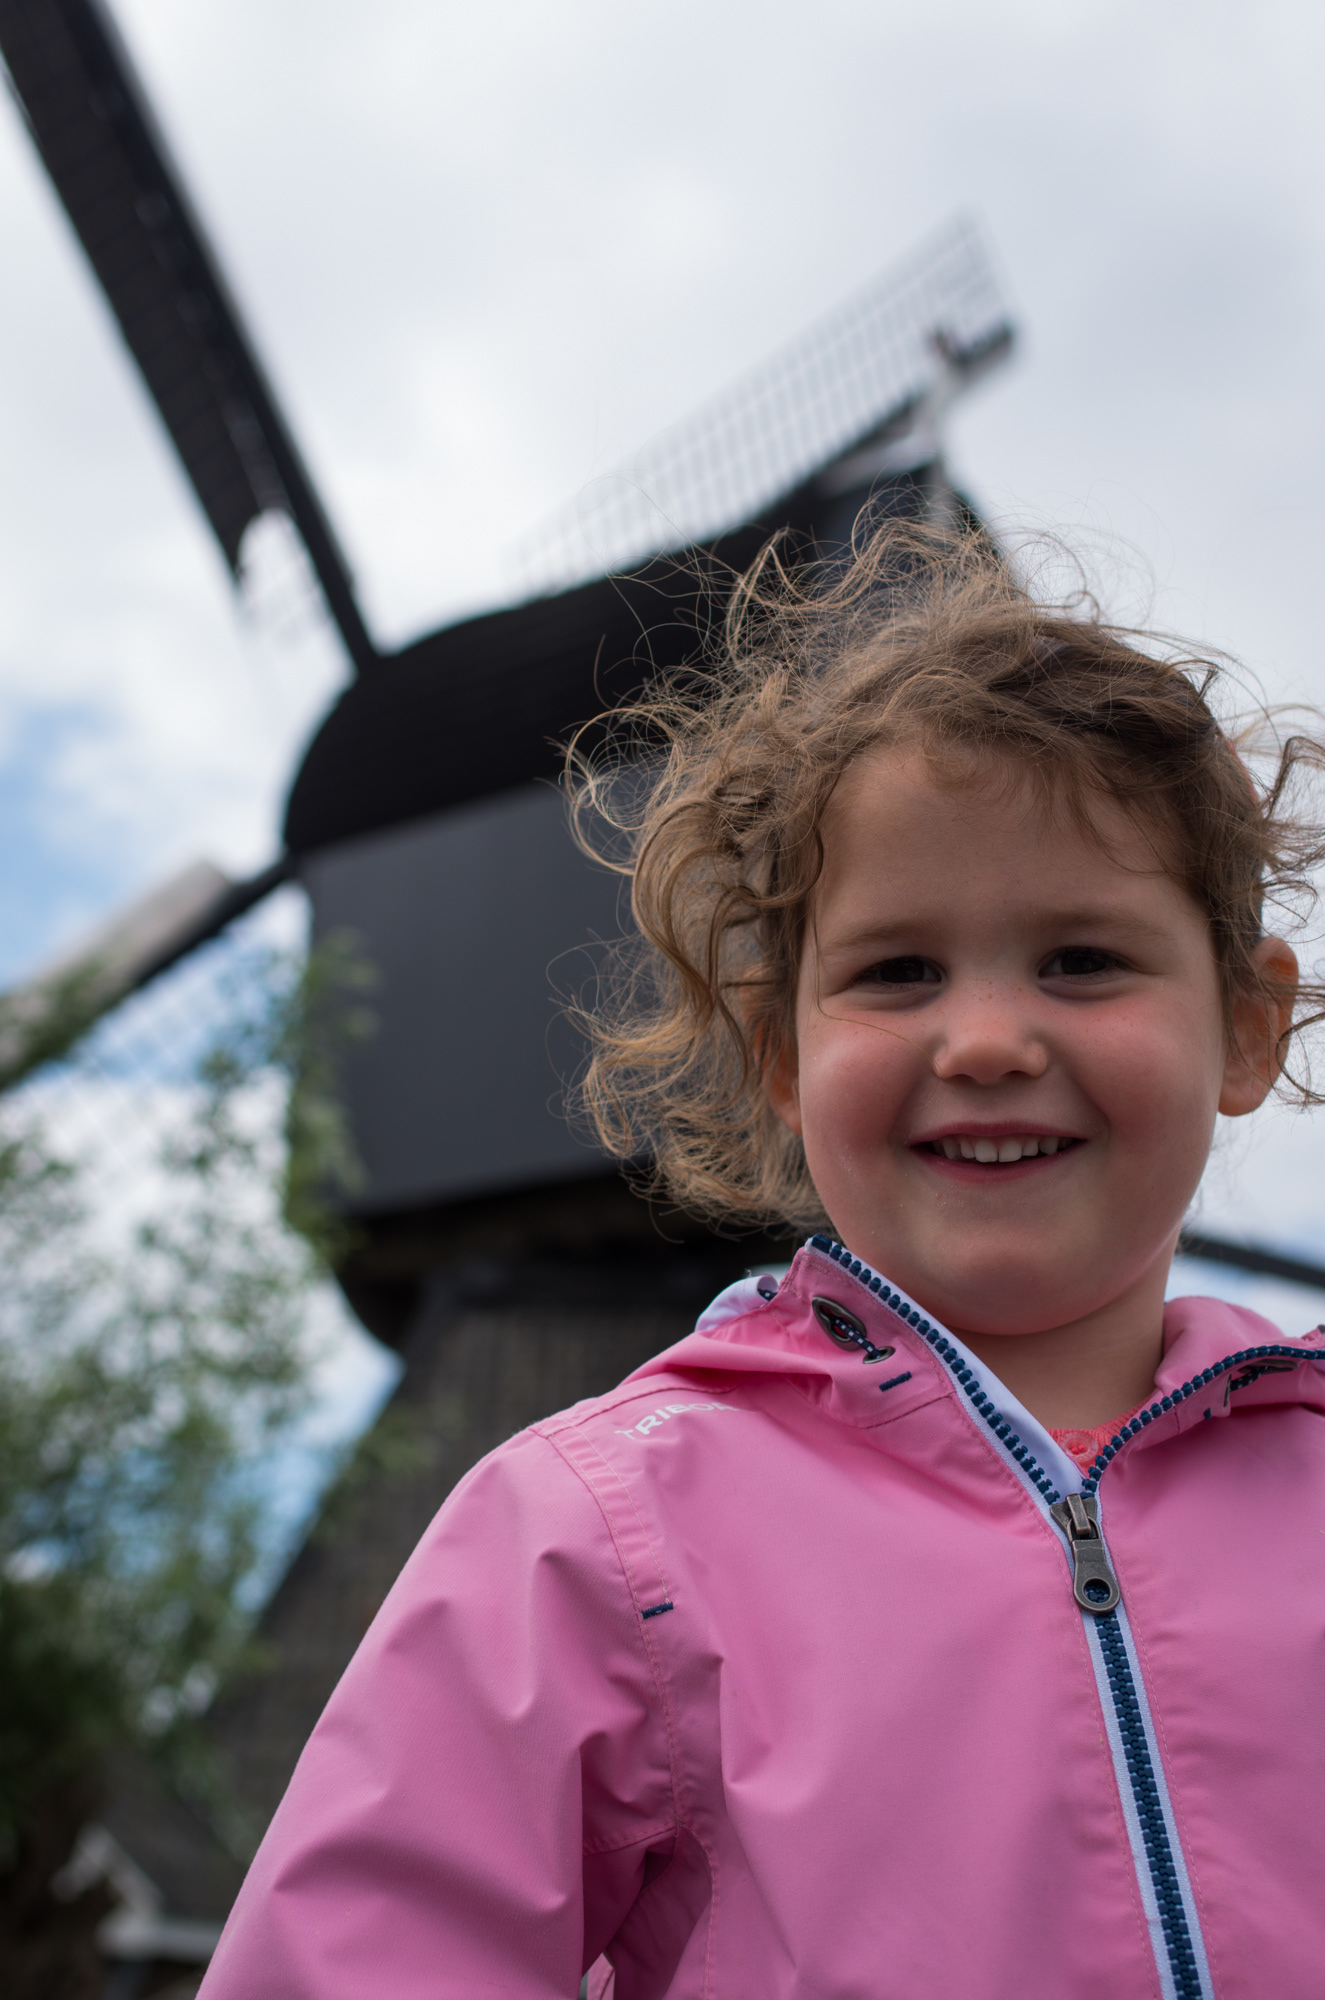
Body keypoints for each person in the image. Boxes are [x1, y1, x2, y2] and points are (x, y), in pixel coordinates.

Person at [199, 524, 1325, 1999]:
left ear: (1244, 1027)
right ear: (780, 1055)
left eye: (1083, 961)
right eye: (897, 971)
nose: (987, 1041)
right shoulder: (597, 1540)